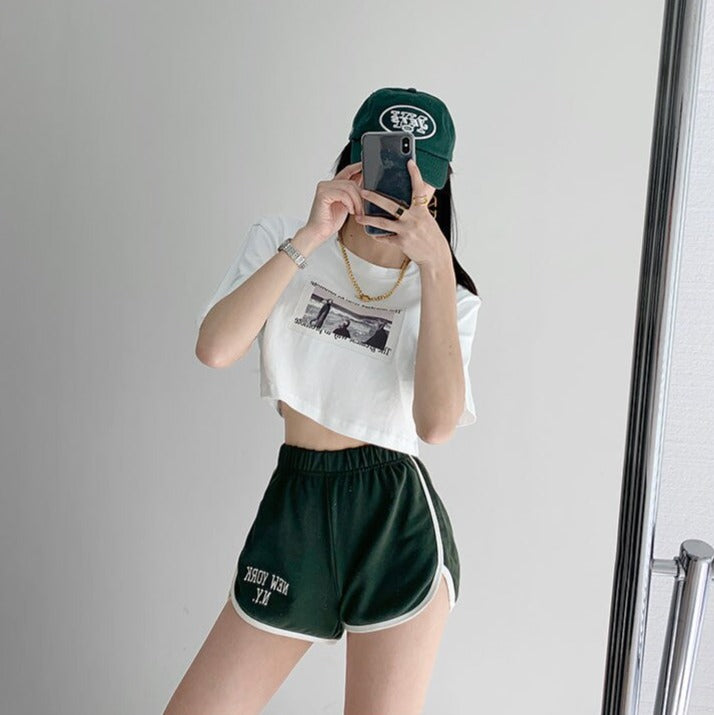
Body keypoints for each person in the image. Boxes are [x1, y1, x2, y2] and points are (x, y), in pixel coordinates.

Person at [166, 87, 482, 715]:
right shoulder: (284, 239)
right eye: (387, 167)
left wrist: (436, 268)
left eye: (416, 179)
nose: (397, 192)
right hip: (298, 500)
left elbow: (437, 425)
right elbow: (216, 348)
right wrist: (312, 235)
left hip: (392, 516)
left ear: (438, 189)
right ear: (354, 160)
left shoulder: (448, 293)